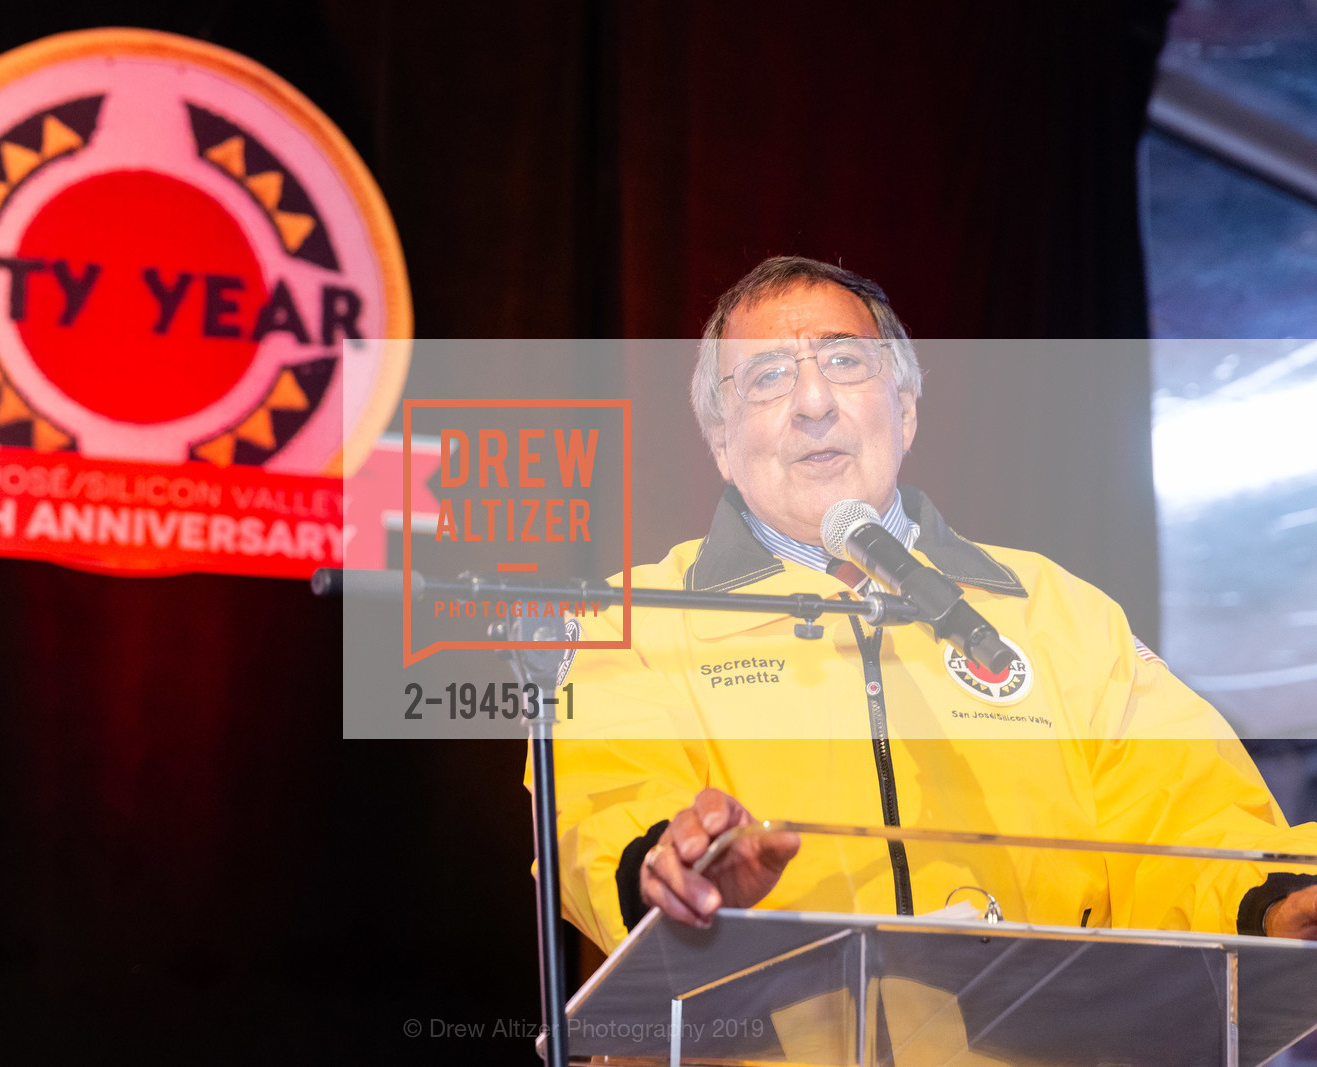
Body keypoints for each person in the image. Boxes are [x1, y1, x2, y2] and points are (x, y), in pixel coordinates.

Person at [542, 256, 1317, 954]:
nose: (814, 400)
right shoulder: (636, 623)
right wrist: (667, 865)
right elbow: (598, 808)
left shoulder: (1057, 614)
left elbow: (1190, 822)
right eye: (768, 376)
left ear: (906, 408)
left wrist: (1273, 908)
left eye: (846, 361)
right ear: (720, 437)